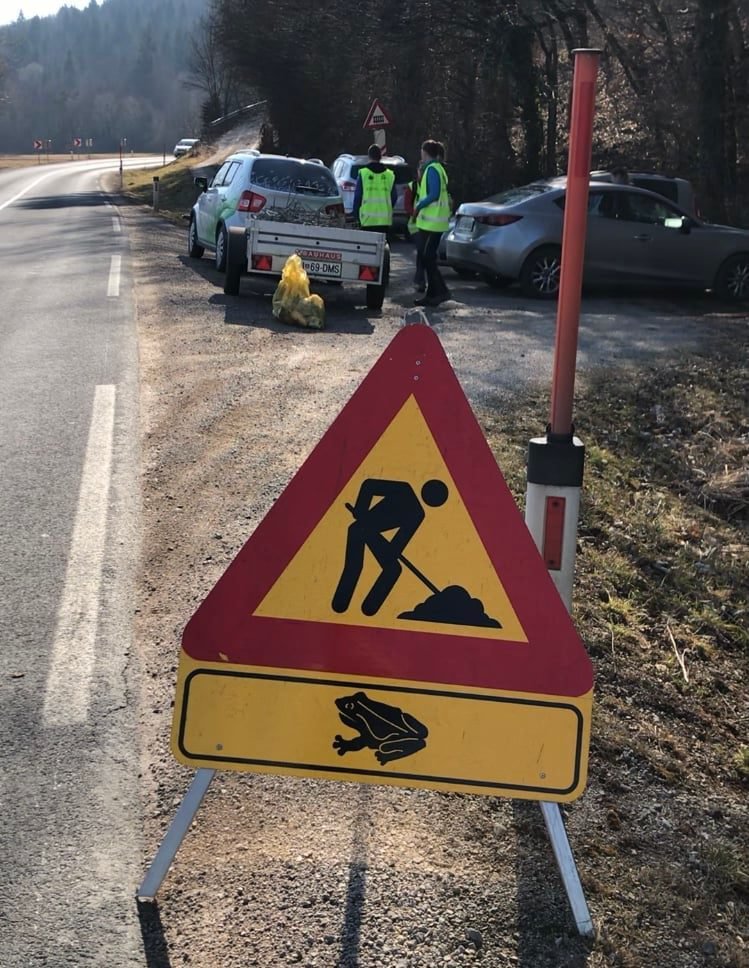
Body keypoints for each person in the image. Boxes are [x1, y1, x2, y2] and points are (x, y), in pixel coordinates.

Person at [332, 478, 449, 616]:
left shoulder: (417, 514)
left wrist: (391, 550)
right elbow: (369, 485)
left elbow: (399, 541)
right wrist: (361, 508)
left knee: (393, 569)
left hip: (371, 533)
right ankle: (340, 603)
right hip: (359, 528)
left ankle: (369, 608)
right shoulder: (403, 490)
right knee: (354, 565)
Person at [413, 140, 451, 307]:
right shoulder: (436, 168)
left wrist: (418, 206)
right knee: (427, 257)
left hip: (433, 222)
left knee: (427, 257)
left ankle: (440, 292)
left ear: (425, 152)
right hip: (435, 221)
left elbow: (433, 194)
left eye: (422, 151)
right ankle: (434, 293)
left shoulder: (432, 169)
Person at [352, 145, 398, 232]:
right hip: (384, 220)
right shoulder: (390, 175)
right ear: (381, 156)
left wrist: (356, 215)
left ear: (369, 156)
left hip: (367, 219)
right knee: (382, 245)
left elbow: (358, 197)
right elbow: (394, 197)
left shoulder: (363, 173)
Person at [404, 162, 426, 291]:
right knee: (422, 251)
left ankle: (420, 280)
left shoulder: (431, 186)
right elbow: (407, 206)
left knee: (425, 253)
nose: (422, 174)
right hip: (415, 225)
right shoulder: (412, 187)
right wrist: (415, 213)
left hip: (428, 224)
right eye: (421, 171)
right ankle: (420, 280)